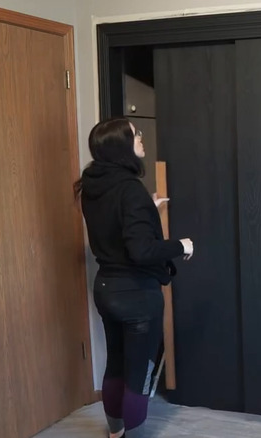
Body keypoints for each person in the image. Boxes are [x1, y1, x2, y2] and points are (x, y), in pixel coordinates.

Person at [74, 118, 194, 438]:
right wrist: (180, 246)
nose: (140, 137)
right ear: (121, 145)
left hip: (106, 289)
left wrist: (147, 207)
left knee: (116, 363)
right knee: (139, 373)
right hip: (137, 293)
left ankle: (116, 433)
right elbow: (142, 251)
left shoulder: (94, 185)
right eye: (134, 133)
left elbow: (114, 222)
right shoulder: (129, 189)